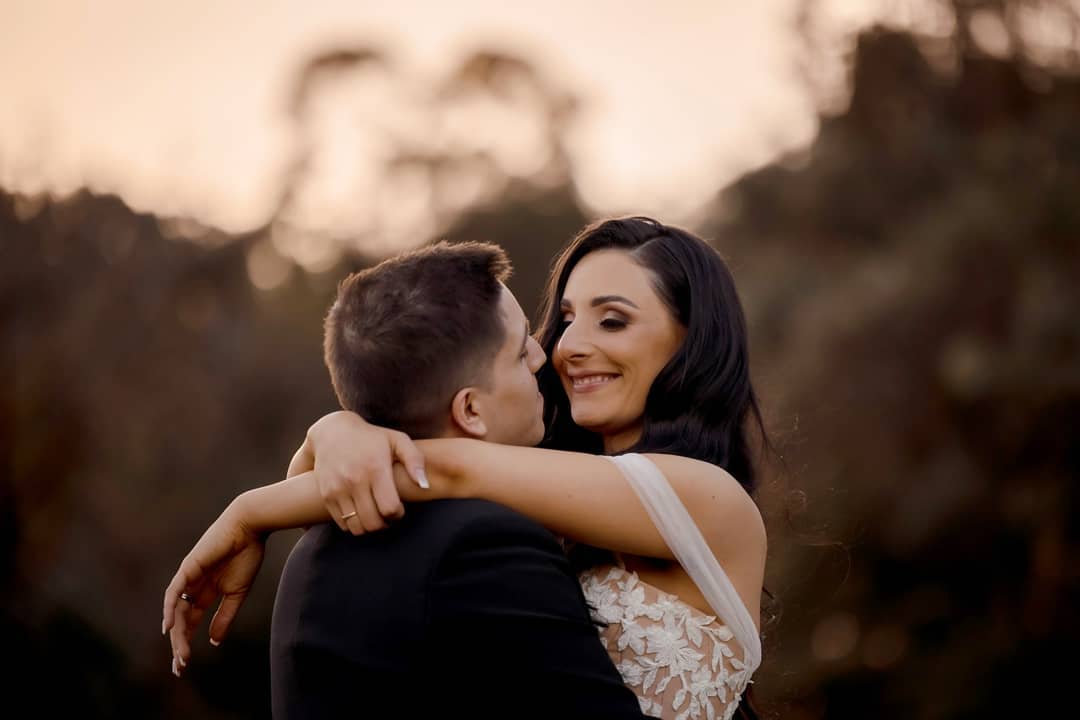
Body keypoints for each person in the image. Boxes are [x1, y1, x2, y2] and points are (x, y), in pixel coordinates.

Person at [164, 217, 769, 720]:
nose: (565, 347)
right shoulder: (531, 496)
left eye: (612, 320)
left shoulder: (710, 498)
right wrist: (339, 428)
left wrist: (253, 511)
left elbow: (450, 468)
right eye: (565, 319)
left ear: (691, 341)